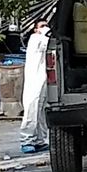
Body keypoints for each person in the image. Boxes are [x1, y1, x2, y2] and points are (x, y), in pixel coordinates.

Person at [20, 20, 51, 154]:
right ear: (35, 30)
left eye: (46, 25)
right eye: (42, 26)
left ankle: (40, 140)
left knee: (42, 111)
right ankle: (27, 140)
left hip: (43, 80)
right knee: (32, 111)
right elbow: (47, 43)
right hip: (34, 81)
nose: (45, 28)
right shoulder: (35, 39)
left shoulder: (43, 39)